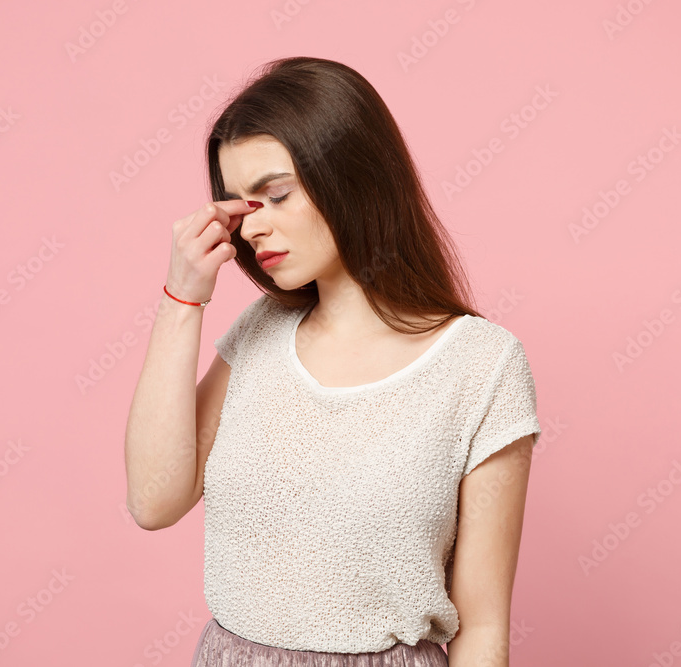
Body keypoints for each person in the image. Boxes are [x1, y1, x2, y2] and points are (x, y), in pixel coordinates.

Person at [124, 56, 541, 667]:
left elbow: (481, 630)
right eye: (239, 206)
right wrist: (182, 299)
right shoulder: (259, 336)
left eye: (275, 195)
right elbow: (153, 502)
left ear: (354, 175)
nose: (251, 228)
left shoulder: (483, 366)